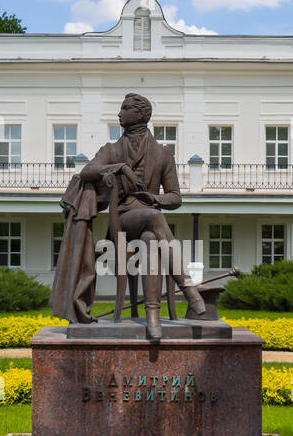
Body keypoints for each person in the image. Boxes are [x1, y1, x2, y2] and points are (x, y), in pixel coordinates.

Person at [52, 92, 206, 341]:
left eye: (124, 109)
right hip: (120, 224)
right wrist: (120, 167)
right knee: (154, 219)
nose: (119, 113)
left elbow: (176, 197)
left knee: (149, 240)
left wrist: (154, 199)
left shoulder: (163, 153)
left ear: (141, 114)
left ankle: (152, 315)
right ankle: (188, 287)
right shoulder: (112, 150)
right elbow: (87, 170)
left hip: (148, 222)